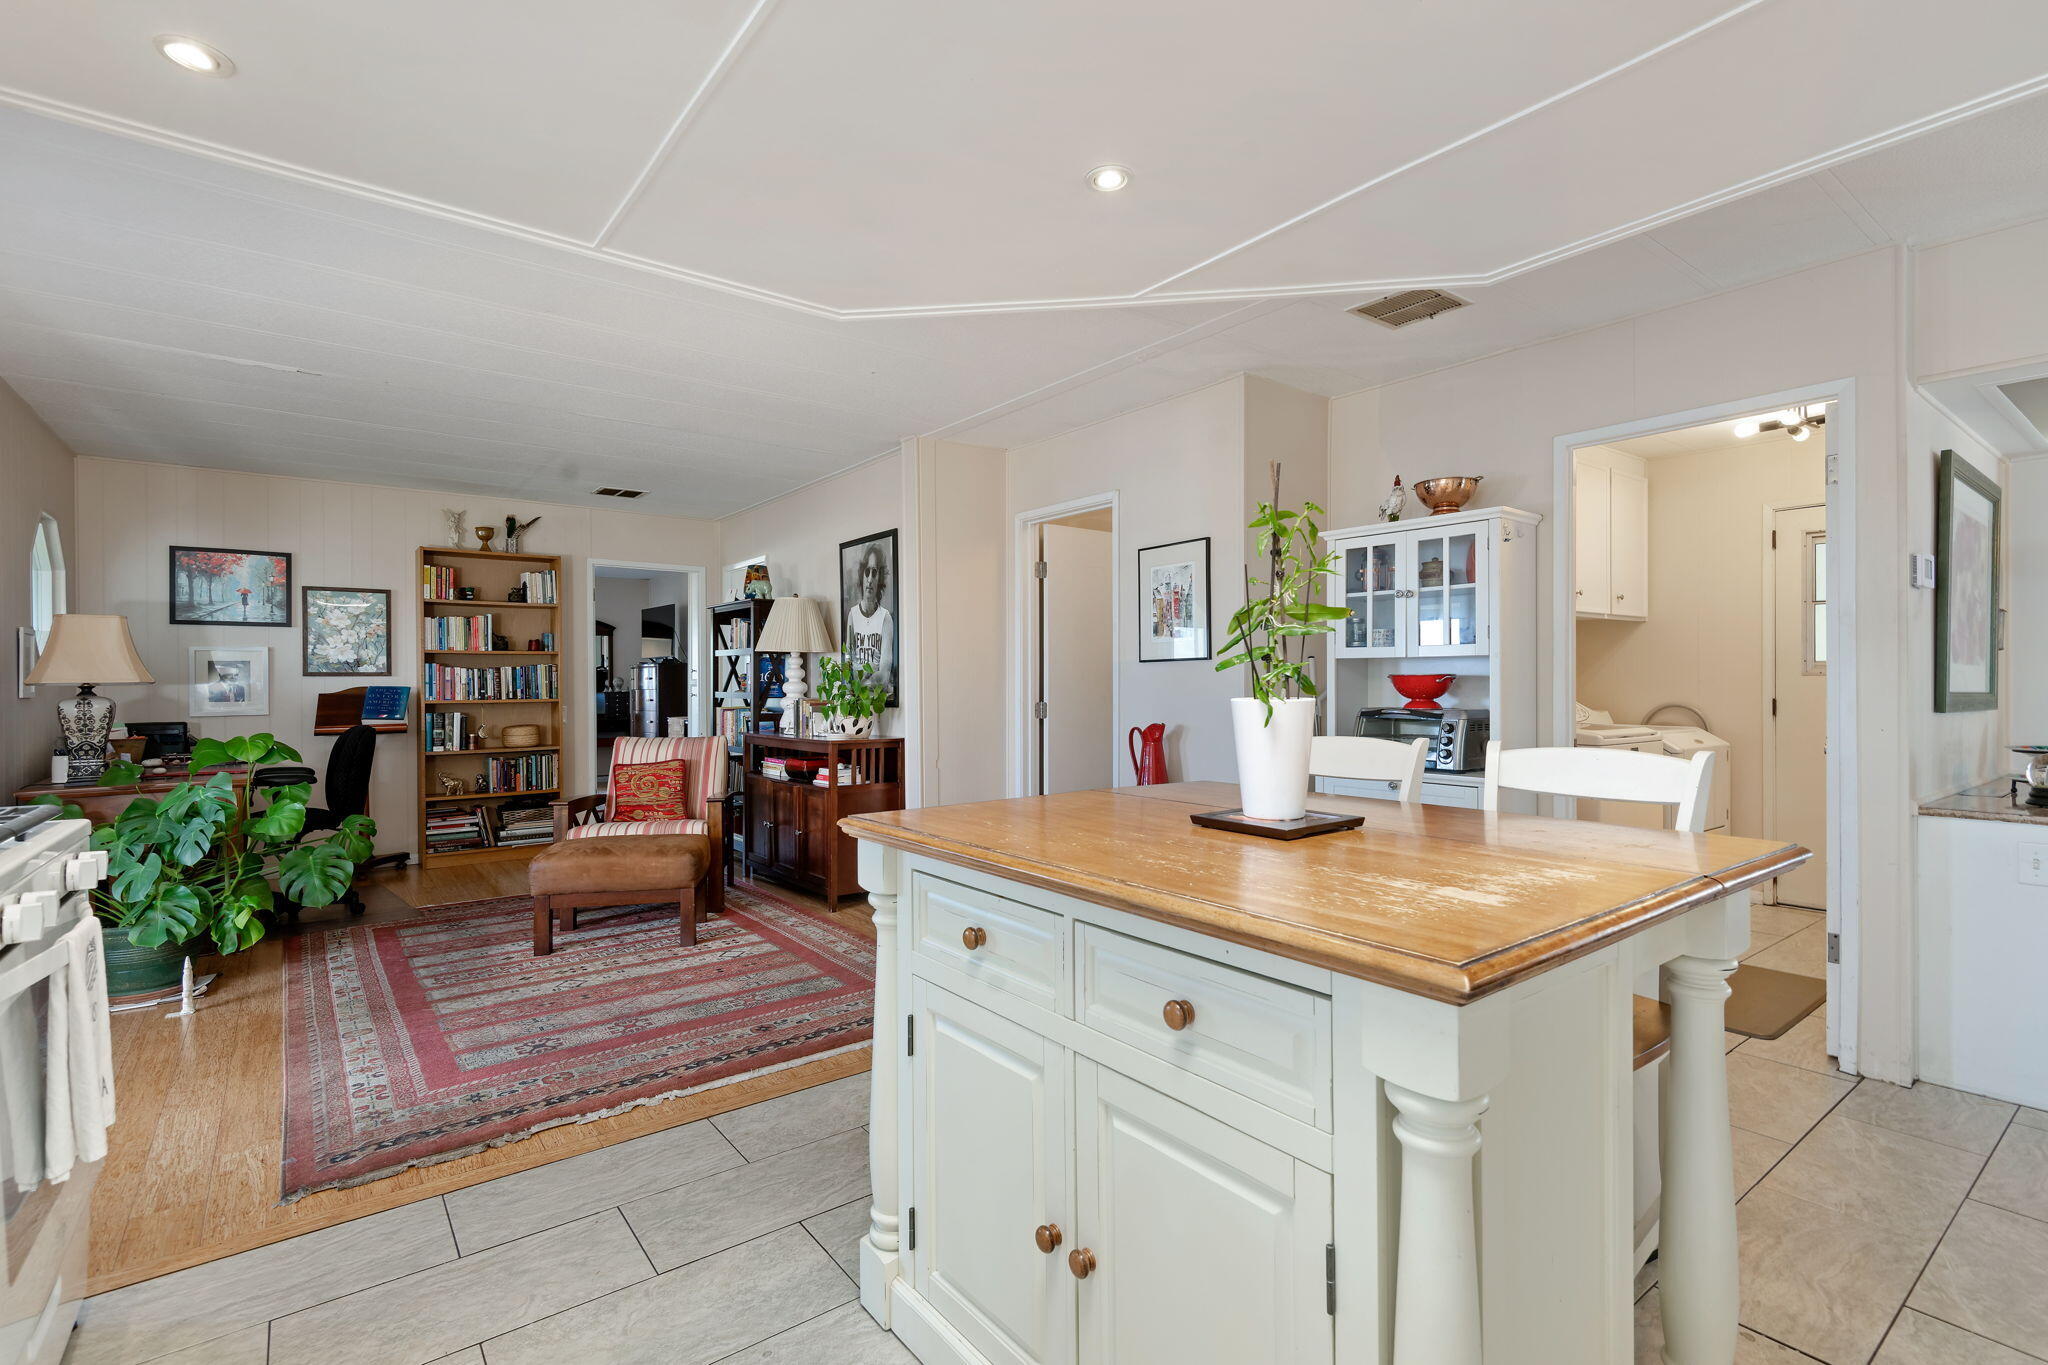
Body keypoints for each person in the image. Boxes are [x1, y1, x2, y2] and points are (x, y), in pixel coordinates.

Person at [845, 543, 895, 695]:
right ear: (862, 574)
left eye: (875, 573)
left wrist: (861, 682)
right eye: (867, 572)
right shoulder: (853, 615)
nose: (870, 579)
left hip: (875, 698)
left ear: (879, 579)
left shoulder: (885, 618)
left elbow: (885, 673)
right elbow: (848, 659)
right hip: (855, 698)